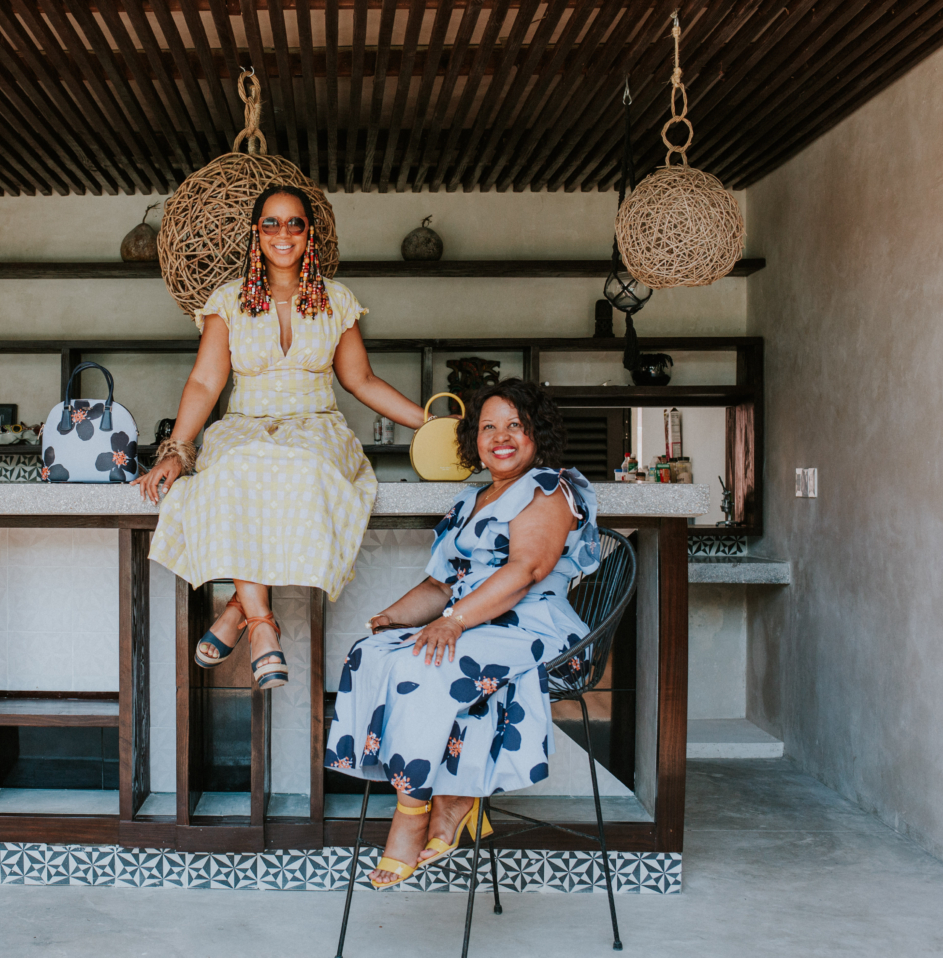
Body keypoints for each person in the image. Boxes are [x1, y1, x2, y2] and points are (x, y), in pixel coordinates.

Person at [135, 185, 424, 689]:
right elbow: (205, 382)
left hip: (316, 423)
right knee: (234, 467)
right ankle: (263, 624)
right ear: (256, 232)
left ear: (309, 233)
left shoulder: (337, 300)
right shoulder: (228, 300)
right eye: (271, 222)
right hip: (244, 424)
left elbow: (361, 380)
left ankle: (238, 609)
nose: (282, 233)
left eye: (295, 222)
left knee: (302, 465)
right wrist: (177, 451)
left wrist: (431, 423)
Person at [323, 379, 601, 888]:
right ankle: (454, 798)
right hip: (478, 622)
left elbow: (525, 571)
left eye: (515, 425)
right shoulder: (471, 499)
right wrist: (393, 617)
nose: (501, 436)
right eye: (488, 426)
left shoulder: (547, 487)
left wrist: (452, 621)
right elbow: (440, 583)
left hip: (535, 627)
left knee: (427, 663)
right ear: (473, 437)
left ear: (538, 432)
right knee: (373, 652)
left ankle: (412, 815)